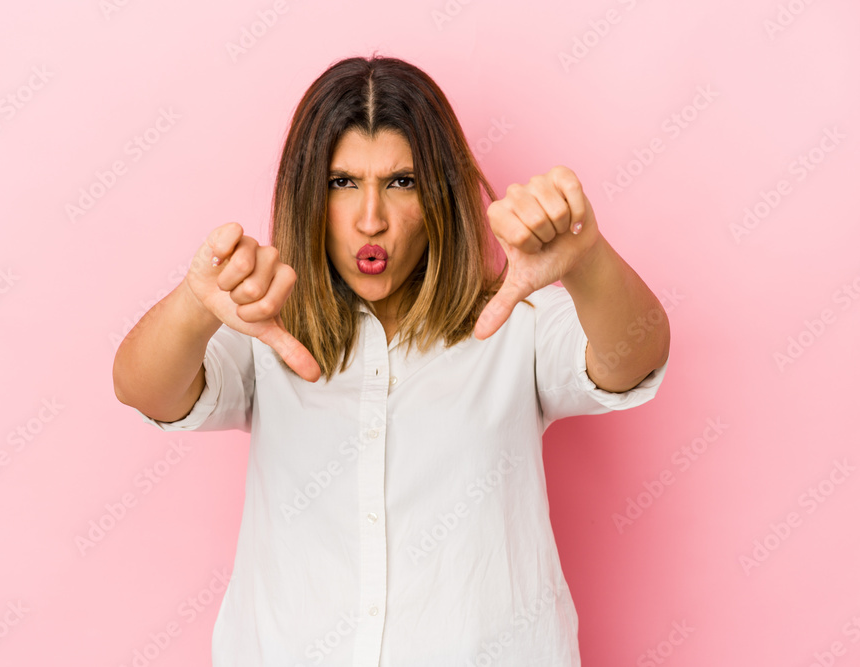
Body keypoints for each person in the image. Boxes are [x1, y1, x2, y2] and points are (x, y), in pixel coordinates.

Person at [113, 54, 669, 667]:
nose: (370, 219)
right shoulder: (265, 328)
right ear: (308, 196)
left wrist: (586, 259)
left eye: (400, 182)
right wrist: (196, 304)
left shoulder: (518, 322)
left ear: (439, 196)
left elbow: (633, 359)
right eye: (342, 182)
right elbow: (145, 390)